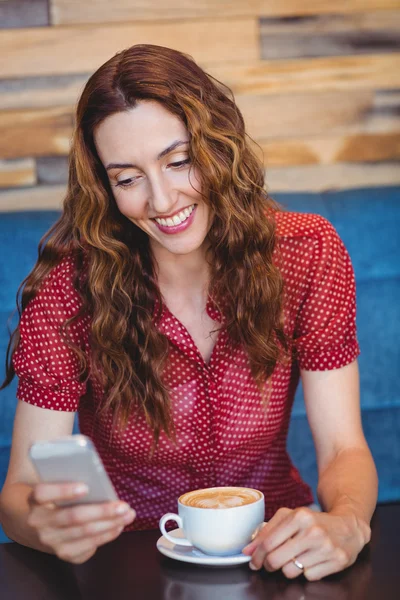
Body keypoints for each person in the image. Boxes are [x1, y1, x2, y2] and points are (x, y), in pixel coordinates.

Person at [0, 44, 377, 580]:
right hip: (125, 567)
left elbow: (343, 448)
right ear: (106, 189)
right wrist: (47, 526)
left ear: (218, 146)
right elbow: (18, 497)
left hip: (271, 554)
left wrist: (344, 523)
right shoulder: (68, 289)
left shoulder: (307, 254)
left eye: (179, 161)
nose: (161, 199)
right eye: (128, 178)